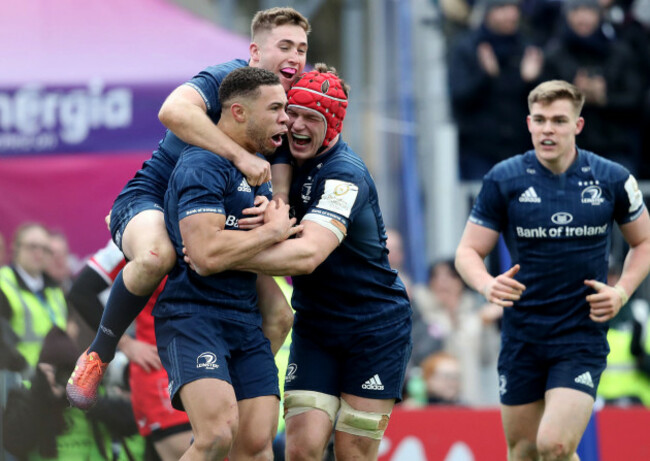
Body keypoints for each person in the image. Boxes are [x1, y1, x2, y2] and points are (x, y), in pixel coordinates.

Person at [67, 6, 310, 410]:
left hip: (214, 214)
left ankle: (232, 395)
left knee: (281, 315)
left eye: (301, 48)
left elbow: (276, 169)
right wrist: (240, 158)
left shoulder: (282, 102)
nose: (295, 56)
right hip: (155, 200)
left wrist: (272, 206)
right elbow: (172, 111)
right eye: (284, 46)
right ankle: (99, 353)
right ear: (254, 52)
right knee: (156, 255)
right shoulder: (227, 78)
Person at [192, 65, 413, 461]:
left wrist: (220, 256)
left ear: (333, 127)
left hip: (374, 328)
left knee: (352, 454)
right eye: (291, 113)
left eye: (311, 118)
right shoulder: (281, 151)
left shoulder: (345, 176)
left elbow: (307, 255)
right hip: (315, 325)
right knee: (301, 448)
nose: (295, 125)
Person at [454, 79, 650, 460]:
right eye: (540, 120)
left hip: (580, 335)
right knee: (525, 451)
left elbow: (644, 243)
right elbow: (467, 252)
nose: (548, 129)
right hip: (522, 336)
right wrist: (486, 285)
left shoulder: (611, 178)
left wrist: (622, 291)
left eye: (559, 121)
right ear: (529, 123)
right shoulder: (503, 179)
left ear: (577, 126)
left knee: (555, 446)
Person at [154, 67, 298, 460]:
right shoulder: (201, 164)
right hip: (194, 316)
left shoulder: (257, 169)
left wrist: (271, 228)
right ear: (238, 112)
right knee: (216, 436)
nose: (286, 119)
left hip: (245, 320)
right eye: (276, 109)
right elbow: (204, 256)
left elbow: (232, 248)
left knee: (255, 444)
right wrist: (271, 233)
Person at [69, 239, 192, 461]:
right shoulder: (139, 224)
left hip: (213, 361)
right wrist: (126, 343)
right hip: (161, 370)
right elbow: (82, 291)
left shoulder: (221, 216)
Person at [3, 326, 141, 461]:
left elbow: (133, 423)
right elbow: (13, 443)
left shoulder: (91, 392)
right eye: (56, 372)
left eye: (68, 371)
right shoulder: (27, 394)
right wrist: (40, 396)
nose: (63, 379)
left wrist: (83, 399)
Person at [448, 0, 543, 179]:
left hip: (521, 149)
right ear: (487, 12)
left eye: (514, 8)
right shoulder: (467, 48)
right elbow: (460, 98)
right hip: (479, 151)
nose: (510, 14)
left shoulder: (528, 48)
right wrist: (485, 77)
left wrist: (531, 82)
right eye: (502, 8)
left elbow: (544, 106)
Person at [0, 223, 67, 375]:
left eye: (45, 249)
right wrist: (23, 367)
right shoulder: (3, 284)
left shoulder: (55, 290)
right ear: (16, 248)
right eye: (32, 247)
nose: (39, 253)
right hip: (18, 382)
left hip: (55, 381)